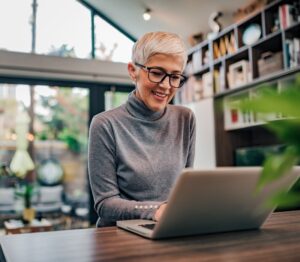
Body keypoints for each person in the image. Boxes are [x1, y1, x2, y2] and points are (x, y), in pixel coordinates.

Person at [88, 31, 196, 227]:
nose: (165, 85)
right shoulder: (105, 124)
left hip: (168, 229)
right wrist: (156, 210)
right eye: (156, 73)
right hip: (118, 237)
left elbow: (185, 189)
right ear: (133, 71)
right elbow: (105, 204)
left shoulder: (185, 118)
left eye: (175, 76)